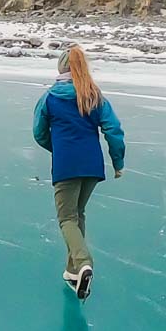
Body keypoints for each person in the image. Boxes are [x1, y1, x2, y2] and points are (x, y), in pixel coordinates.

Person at [32, 45, 125, 300]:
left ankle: (84, 262)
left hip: (67, 167)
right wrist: (118, 162)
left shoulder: (50, 98)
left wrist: (58, 149)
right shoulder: (93, 95)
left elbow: (39, 133)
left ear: (61, 69)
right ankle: (73, 271)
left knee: (66, 219)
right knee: (77, 213)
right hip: (93, 167)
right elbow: (114, 130)